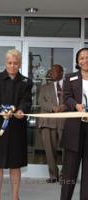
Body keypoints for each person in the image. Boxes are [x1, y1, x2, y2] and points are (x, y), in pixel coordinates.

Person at [0, 49, 32, 200]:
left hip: (17, 128)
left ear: (20, 64)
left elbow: (27, 101)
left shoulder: (26, 82)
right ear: (5, 63)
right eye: (9, 63)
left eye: (16, 63)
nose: (12, 66)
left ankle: (15, 197)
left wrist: (21, 110)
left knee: (15, 165)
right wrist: (0, 111)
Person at [60, 48, 88, 199]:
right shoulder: (70, 77)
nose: (85, 60)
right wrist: (76, 105)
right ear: (78, 61)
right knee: (69, 171)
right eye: (82, 58)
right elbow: (66, 97)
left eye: (87, 57)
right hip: (74, 129)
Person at [38, 64, 66, 183]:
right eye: (51, 71)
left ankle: (65, 175)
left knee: (67, 150)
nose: (51, 73)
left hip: (65, 122)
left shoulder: (69, 86)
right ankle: (53, 175)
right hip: (48, 122)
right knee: (49, 150)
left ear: (61, 73)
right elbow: (41, 101)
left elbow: (72, 99)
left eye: (55, 71)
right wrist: (53, 108)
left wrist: (64, 106)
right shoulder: (44, 87)